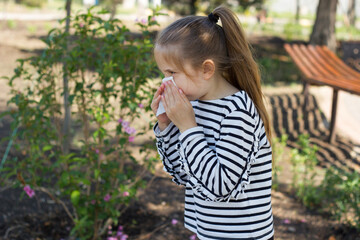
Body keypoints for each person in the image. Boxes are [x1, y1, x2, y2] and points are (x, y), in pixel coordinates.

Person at [150, 5, 274, 240]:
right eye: (163, 74)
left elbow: (221, 186)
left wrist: (188, 128)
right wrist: (166, 127)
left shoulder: (237, 113)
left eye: (172, 73)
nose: (166, 82)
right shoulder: (194, 104)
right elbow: (184, 175)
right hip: (209, 232)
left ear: (207, 69)